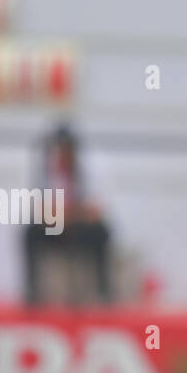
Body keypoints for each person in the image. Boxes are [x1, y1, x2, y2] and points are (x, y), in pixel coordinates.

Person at [23, 124, 111, 306]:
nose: (62, 155)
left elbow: (96, 209)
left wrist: (72, 213)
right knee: (31, 232)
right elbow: (38, 209)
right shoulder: (45, 176)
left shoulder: (90, 173)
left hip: (80, 227)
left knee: (102, 231)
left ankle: (103, 292)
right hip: (55, 227)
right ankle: (33, 294)